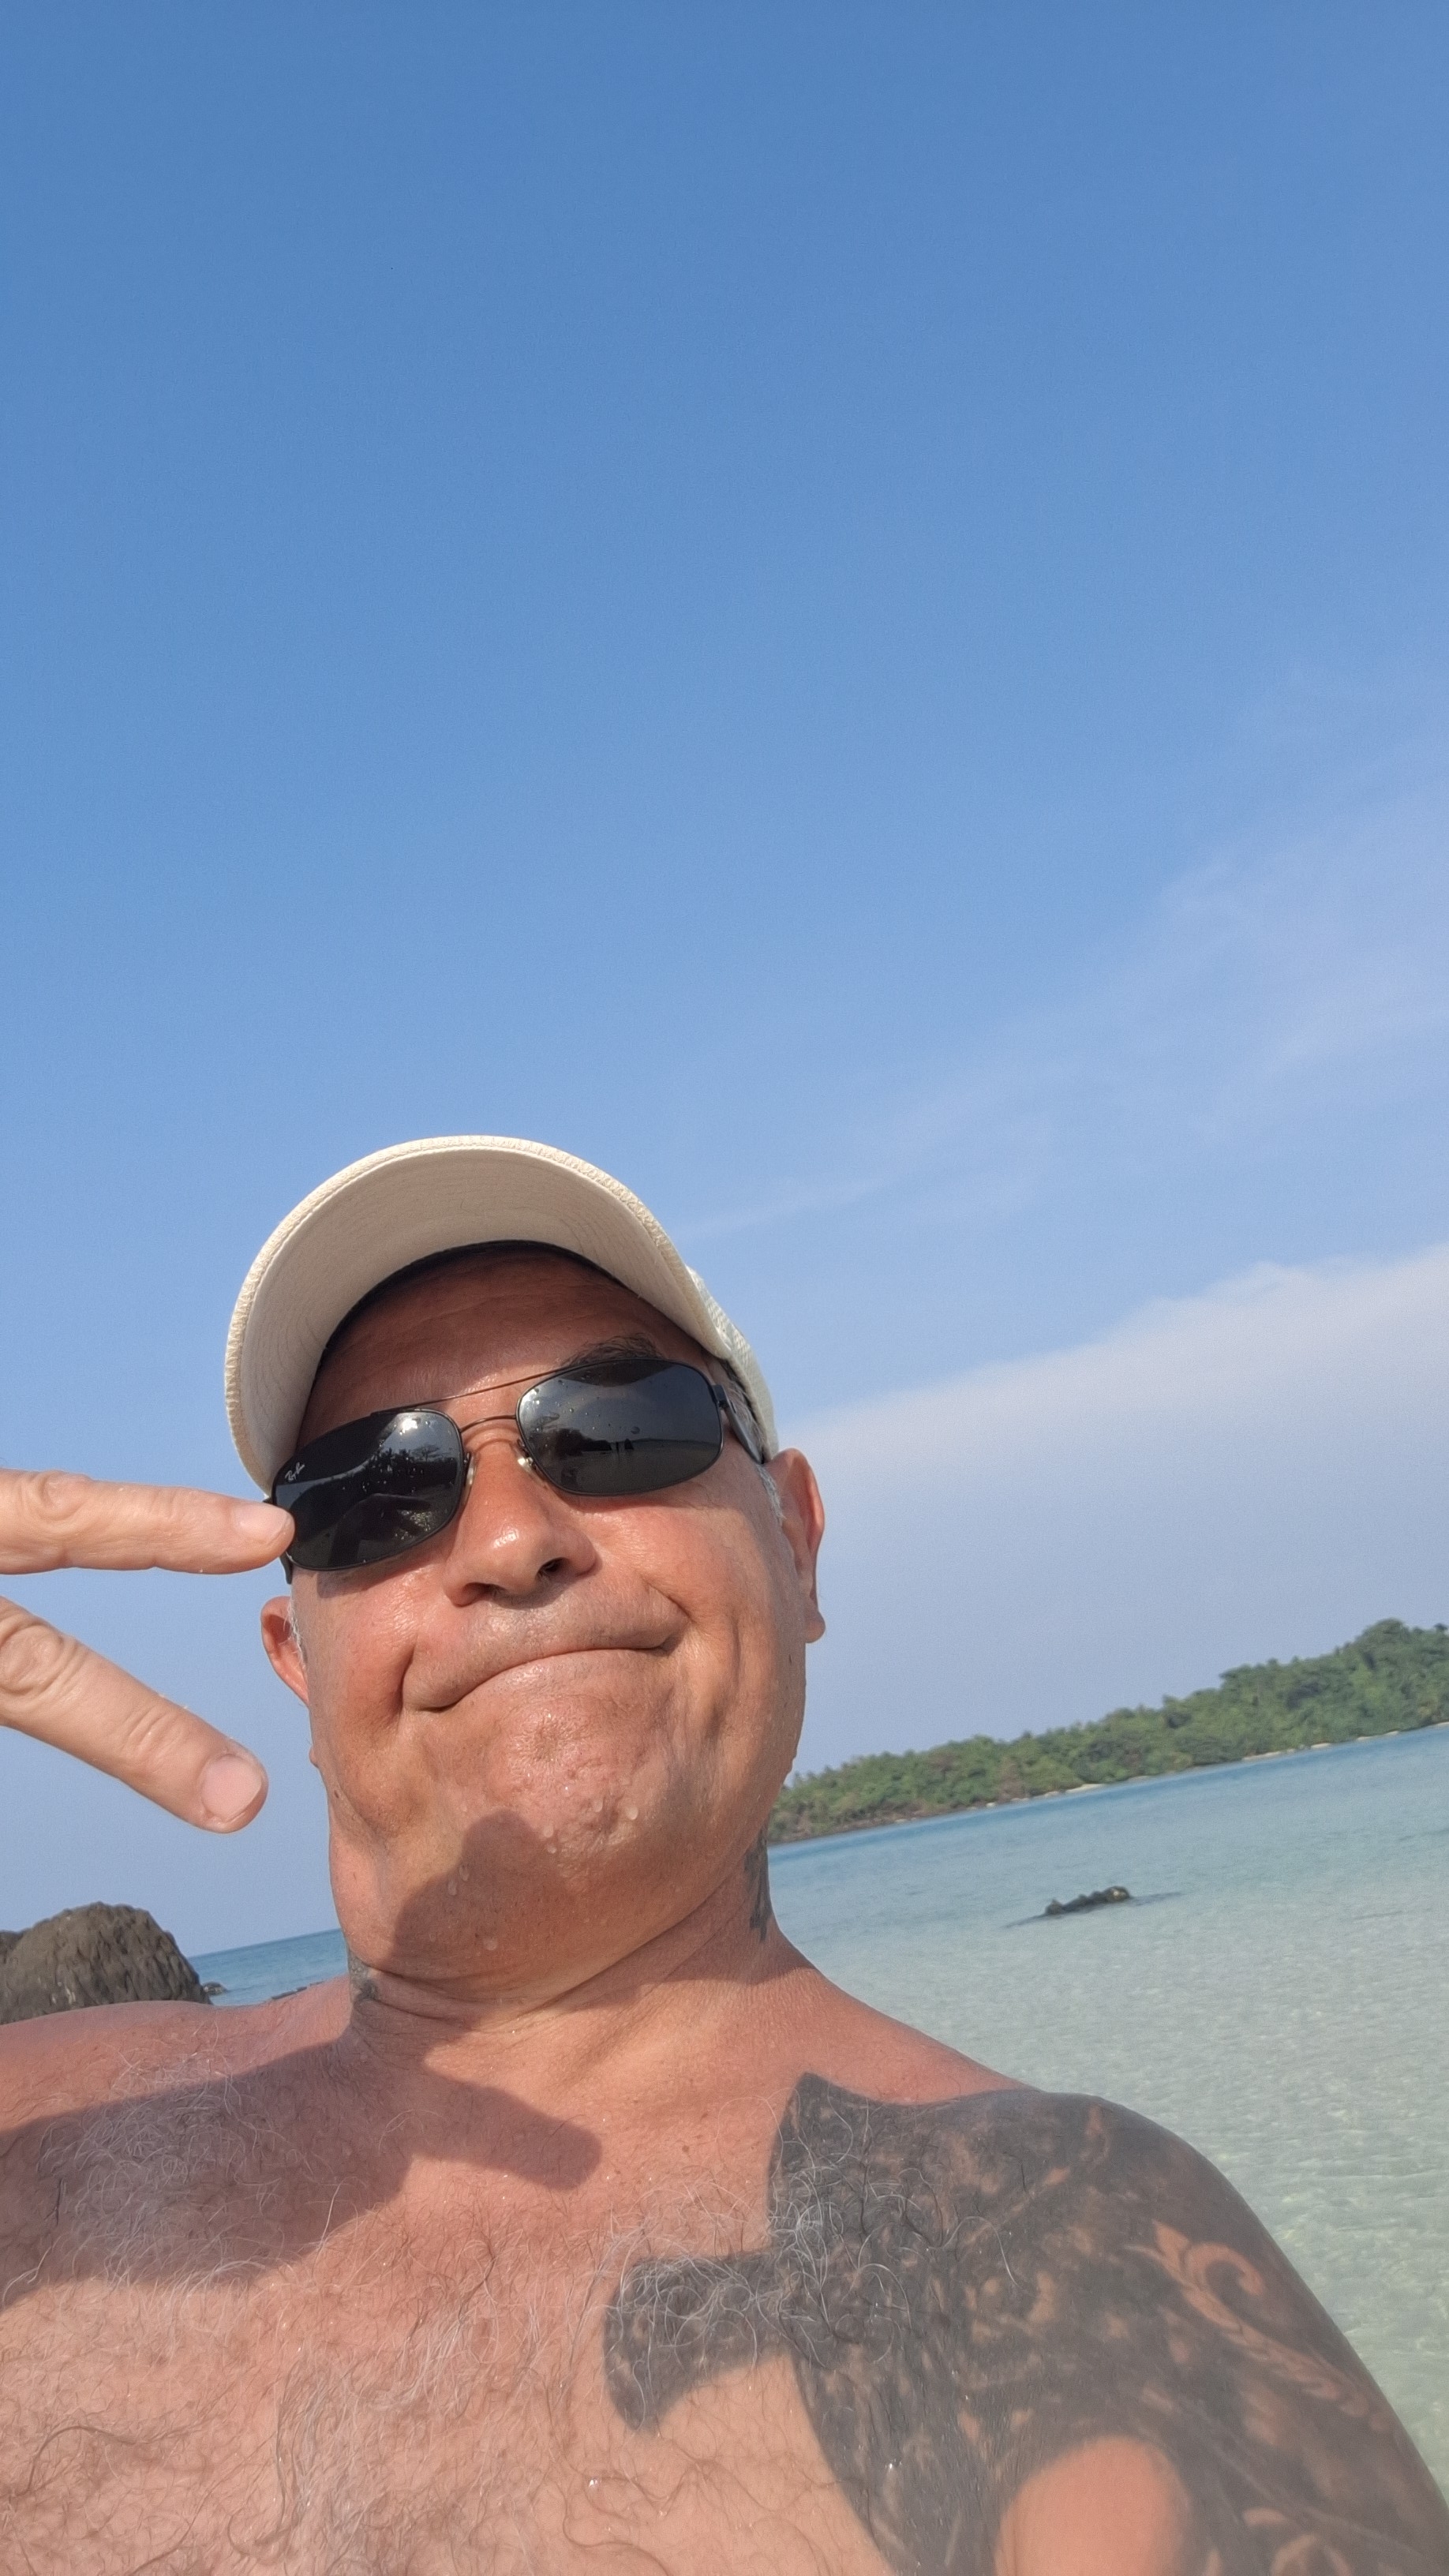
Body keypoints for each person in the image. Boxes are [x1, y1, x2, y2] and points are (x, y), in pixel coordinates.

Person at [0, 1133, 1443, 2576]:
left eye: (621, 1429)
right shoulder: (35, 2131)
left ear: (796, 1542)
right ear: (294, 1665)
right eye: (372, 1491)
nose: (510, 1538)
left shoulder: (1059, 2249)